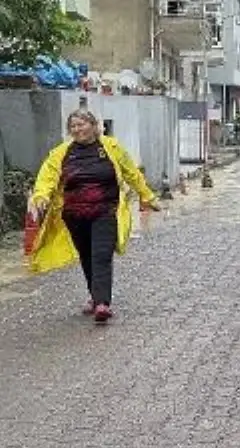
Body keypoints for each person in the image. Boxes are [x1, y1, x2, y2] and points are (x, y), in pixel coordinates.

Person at [27, 108, 160, 322]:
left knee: (101, 255)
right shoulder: (61, 153)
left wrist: (148, 197)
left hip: (105, 211)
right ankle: (94, 295)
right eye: (73, 126)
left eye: (82, 124)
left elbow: (131, 173)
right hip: (74, 215)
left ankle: (102, 303)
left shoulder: (111, 148)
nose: (78, 129)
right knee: (87, 256)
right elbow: (47, 178)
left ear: (94, 126)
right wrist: (41, 197)